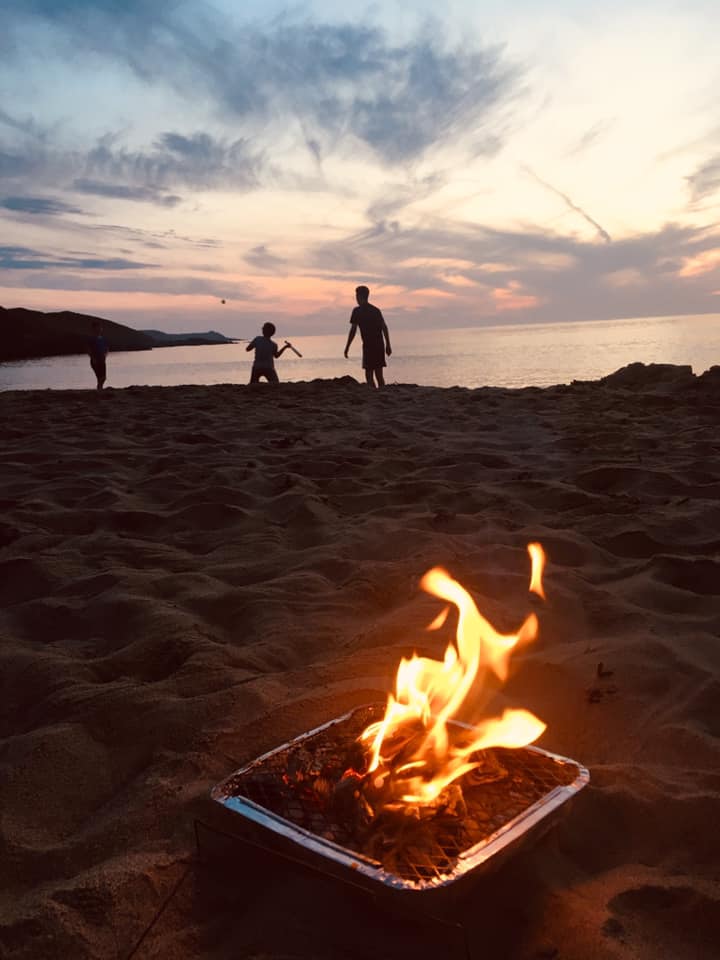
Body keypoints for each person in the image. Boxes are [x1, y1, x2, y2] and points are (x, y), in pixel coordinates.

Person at [343, 285, 392, 388]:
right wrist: (388, 345)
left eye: (356, 295)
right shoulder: (376, 310)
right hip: (378, 345)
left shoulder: (357, 311)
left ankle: (376, 394)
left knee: (369, 374)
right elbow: (385, 328)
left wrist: (347, 347)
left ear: (360, 296)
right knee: (378, 375)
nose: (356, 298)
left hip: (370, 346)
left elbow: (353, 330)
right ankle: (379, 393)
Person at [88, 320, 108, 390]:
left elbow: (106, 348)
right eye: (97, 327)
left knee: (103, 377)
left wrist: (105, 355)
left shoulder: (103, 338)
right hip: (95, 360)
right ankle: (99, 389)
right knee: (100, 377)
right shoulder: (91, 338)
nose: (99, 329)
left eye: (100, 327)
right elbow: (89, 350)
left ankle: (100, 388)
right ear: (93, 329)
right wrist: (93, 359)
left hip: (102, 360)